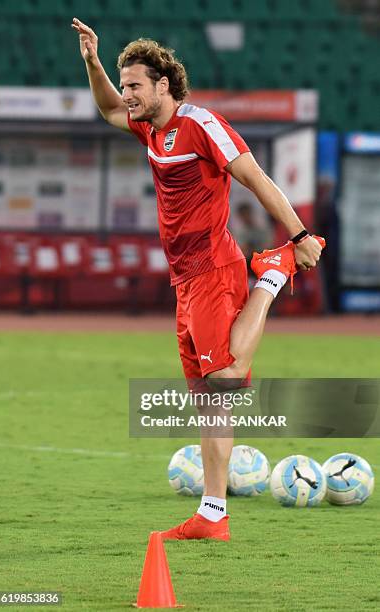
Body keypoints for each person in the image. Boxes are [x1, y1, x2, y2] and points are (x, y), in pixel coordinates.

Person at [72, 18, 324, 541]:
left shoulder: (200, 123)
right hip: (184, 280)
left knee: (225, 380)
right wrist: (94, 62)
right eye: (126, 84)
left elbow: (257, 178)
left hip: (215, 267)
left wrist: (298, 235)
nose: (128, 94)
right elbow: (107, 109)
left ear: (163, 85)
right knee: (210, 399)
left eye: (136, 85)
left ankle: (270, 278)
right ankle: (213, 514)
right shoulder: (150, 127)